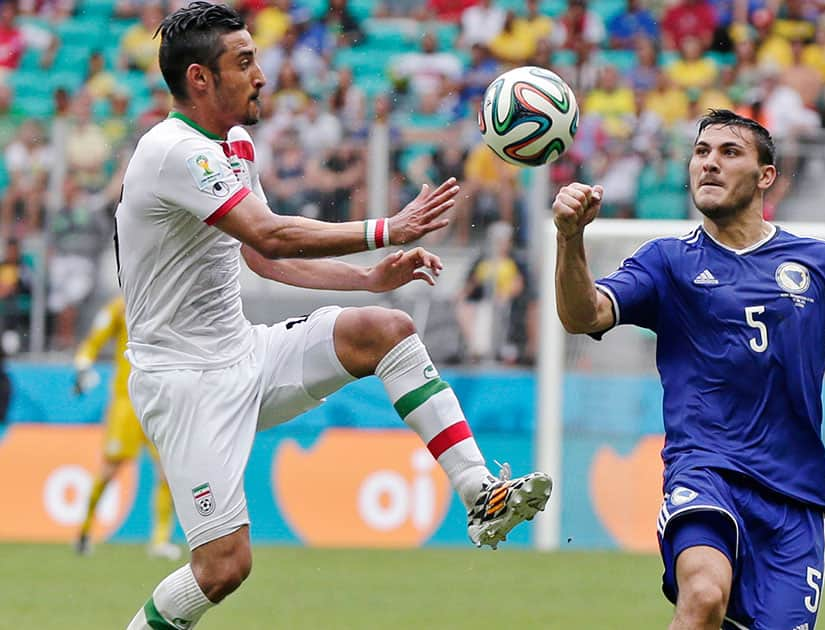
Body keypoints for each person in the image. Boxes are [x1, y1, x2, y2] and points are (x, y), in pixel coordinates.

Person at [120, 4, 551, 628]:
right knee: (223, 567)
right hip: (184, 384)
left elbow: (260, 259)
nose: (261, 75)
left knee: (385, 331)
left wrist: (368, 281)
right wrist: (386, 230)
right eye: (244, 62)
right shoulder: (171, 152)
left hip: (246, 355)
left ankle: (480, 493)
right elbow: (270, 235)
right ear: (199, 79)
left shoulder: (234, 144)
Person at [550, 109, 825, 629]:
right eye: (701, 152)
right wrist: (569, 239)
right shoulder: (667, 262)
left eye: (728, 152)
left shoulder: (821, 264)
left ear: (766, 176)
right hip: (704, 470)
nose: (709, 164)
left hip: (795, 497)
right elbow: (583, 315)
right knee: (702, 596)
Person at [73, 296, 181, 562]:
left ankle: (160, 540)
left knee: (167, 473)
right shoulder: (120, 307)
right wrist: (83, 365)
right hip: (127, 403)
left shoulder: (166, 303)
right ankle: (84, 531)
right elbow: (93, 341)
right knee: (109, 471)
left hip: (158, 401)